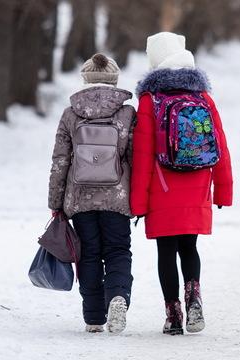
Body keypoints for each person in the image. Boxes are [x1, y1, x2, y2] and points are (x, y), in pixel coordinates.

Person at [131, 32, 233, 335]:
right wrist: (223, 190)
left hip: (162, 188)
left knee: (166, 251)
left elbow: (142, 157)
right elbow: (221, 147)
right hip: (199, 183)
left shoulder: (150, 100)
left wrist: (137, 202)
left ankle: (173, 314)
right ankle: (194, 298)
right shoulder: (203, 97)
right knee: (190, 247)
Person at [48, 53, 135, 333]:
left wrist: (55, 202)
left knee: (88, 255)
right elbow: (136, 158)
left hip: (80, 197)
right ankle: (118, 297)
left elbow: (61, 160)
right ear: (114, 79)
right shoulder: (126, 113)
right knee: (118, 250)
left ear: (85, 79)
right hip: (117, 198)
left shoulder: (71, 113)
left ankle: (94, 318)